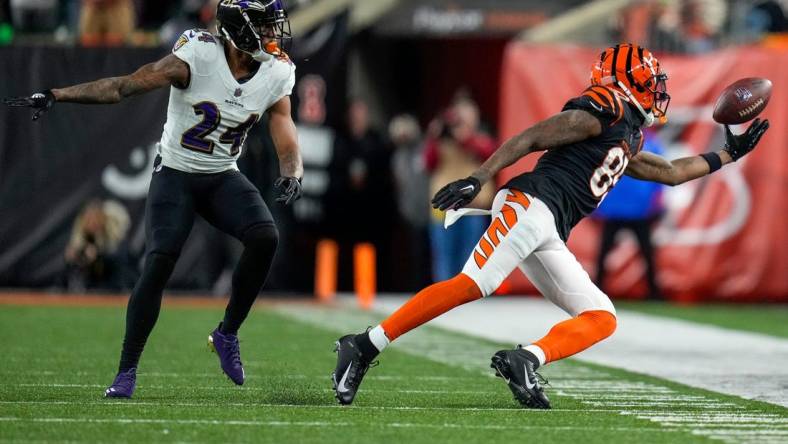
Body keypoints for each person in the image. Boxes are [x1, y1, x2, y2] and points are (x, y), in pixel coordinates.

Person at [331, 44, 769, 409]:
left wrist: (727, 155)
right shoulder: (606, 108)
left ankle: (527, 359)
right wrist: (478, 177)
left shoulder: (628, 131)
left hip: (549, 225)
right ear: (624, 82)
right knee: (473, 284)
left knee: (601, 317)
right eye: (649, 80)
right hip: (529, 204)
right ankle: (364, 344)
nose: (657, 90)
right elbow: (533, 136)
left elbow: (670, 171)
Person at [5, 0, 302, 398]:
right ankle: (126, 371)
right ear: (239, 30)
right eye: (264, 26)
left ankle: (227, 333)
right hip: (176, 174)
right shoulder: (197, 55)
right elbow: (124, 85)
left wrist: (292, 169)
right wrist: (57, 94)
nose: (272, 35)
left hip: (220, 175)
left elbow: (282, 122)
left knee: (266, 236)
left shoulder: (276, 70)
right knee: (159, 263)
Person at [593, 130, 665, 300]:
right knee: (645, 253)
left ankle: (596, 290)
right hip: (628, 209)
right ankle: (654, 293)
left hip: (630, 209)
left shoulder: (616, 140)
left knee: (644, 253)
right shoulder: (651, 144)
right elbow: (662, 175)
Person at [63, 198, 134, 291]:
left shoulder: (113, 234)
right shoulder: (82, 236)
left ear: (102, 219)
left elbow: (121, 259)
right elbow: (75, 267)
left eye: (95, 219)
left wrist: (98, 255)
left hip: (117, 283)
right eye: (89, 219)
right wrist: (73, 258)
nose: (92, 223)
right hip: (93, 286)